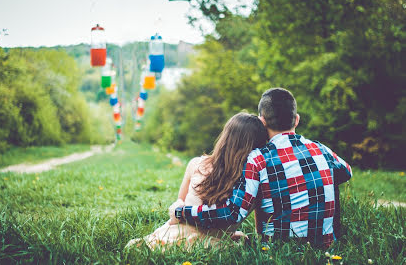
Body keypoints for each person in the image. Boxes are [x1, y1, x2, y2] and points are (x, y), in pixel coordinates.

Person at [171, 88, 352, 247]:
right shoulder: (321, 149)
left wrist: (181, 211)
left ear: (262, 121)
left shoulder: (258, 159)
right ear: (296, 120)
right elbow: (346, 172)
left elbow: (232, 214)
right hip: (327, 246)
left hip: (279, 250)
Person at [126, 112, 268, 249]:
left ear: (225, 138)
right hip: (204, 243)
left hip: (176, 235)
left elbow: (179, 205)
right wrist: (229, 234)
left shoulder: (196, 164)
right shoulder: (253, 184)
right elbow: (257, 226)